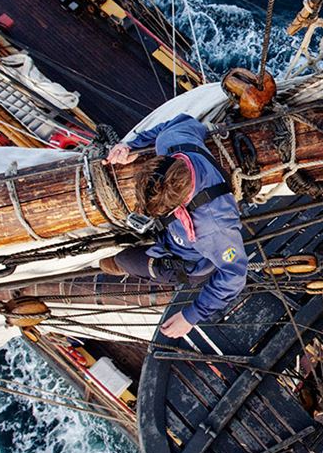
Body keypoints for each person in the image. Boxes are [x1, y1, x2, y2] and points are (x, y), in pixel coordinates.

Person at [99, 113, 247, 339]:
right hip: (170, 231)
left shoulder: (214, 227)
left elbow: (234, 275)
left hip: (189, 260)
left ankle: (120, 265)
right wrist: (131, 146)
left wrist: (190, 316)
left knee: (121, 260)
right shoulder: (171, 141)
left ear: (179, 204)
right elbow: (183, 121)